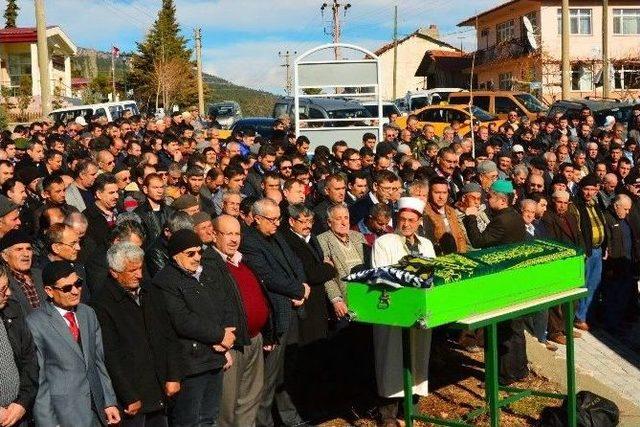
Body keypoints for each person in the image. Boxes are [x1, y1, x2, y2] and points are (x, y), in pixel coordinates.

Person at [91, 243, 183, 427]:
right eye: (132, 270)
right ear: (114, 272)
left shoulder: (150, 291)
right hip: (133, 397)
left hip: (160, 388)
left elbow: (169, 335)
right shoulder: (103, 302)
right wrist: (128, 395)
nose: (139, 275)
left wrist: (173, 375)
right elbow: (110, 354)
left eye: (140, 268)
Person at [152, 229, 236, 427]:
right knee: (189, 420)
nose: (197, 257)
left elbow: (223, 303)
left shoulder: (205, 274)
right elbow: (182, 320)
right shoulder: (165, 281)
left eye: (200, 252)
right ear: (175, 255)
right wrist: (219, 335)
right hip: (190, 363)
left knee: (209, 418)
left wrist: (227, 338)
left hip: (214, 357)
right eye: (190, 253)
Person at [240, 198, 309, 427]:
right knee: (269, 378)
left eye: (278, 218)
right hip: (275, 314)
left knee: (285, 374)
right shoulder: (249, 242)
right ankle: (265, 422)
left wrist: (301, 287)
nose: (277, 223)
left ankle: (289, 418)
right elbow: (266, 276)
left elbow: (295, 262)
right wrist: (297, 289)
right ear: (257, 218)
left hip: (292, 309)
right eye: (271, 219)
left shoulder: (276, 235)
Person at [26, 261, 121, 426]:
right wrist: (47, 423)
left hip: (97, 411)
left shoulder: (87, 313)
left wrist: (109, 401)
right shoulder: (36, 323)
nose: (75, 291)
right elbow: (39, 380)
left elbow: (98, 362)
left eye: (78, 284)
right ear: (49, 291)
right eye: (66, 288)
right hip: (64, 414)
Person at [371, 197, 435, 426]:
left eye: (411, 220)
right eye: (402, 220)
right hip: (394, 311)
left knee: (417, 357)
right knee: (391, 361)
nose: (406, 224)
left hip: (418, 309)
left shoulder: (426, 245)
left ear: (418, 221)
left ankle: (410, 409)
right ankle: (388, 415)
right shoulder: (385, 242)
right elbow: (382, 274)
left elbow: (432, 273)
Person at [209, 215, 274, 427]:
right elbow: (209, 307)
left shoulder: (241, 260)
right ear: (214, 235)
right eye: (228, 233)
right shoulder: (209, 264)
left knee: (250, 400)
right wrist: (220, 342)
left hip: (254, 339)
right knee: (227, 406)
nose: (234, 239)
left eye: (237, 233)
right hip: (231, 344)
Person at [463, 179, 528, 385]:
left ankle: (503, 374)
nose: (486, 199)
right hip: (515, 278)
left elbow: (479, 241)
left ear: (501, 200)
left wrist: (470, 218)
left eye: (489, 196)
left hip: (503, 281)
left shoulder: (502, 221)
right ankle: (519, 369)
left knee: (502, 330)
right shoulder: (515, 217)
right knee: (516, 329)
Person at [0, 263, 38, 427]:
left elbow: (29, 360)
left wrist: (22, 403)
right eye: (1, 289)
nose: (8, 293)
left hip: (19, 414)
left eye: (7, 286)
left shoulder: (12, 310)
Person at [570, 174, 607, 331]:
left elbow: (603, 225)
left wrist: (606, 246)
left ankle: (583, 315)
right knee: (582, 285)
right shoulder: (575, 206)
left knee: (593, 284)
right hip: (586, 252)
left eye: (592, 189)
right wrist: (583, 250)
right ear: (581, 189)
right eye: (586, 189)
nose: (589, 192)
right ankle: (577, 317)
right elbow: (577, 231)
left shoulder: (595, 204)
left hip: (598, 250)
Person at [1, 230, 46, 315]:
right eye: (19, 249)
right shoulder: (3, 281)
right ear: (5, 256)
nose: (26, 254)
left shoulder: (41, 275)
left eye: (29, 249)